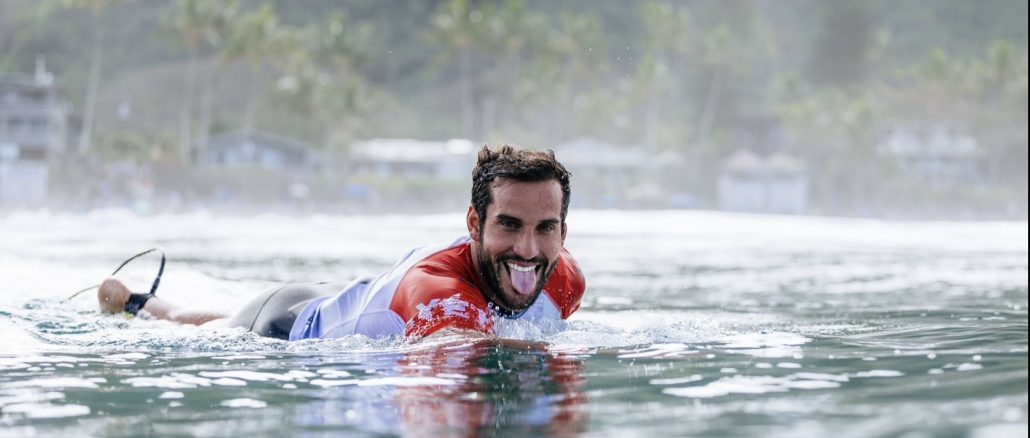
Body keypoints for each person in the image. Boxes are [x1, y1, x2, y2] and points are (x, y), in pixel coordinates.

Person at [98, 145, 586, 341]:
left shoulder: (563, 279)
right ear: (475, 224)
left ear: (562, 234)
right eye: (509, 225)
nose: (528, 249)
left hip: (359, 296)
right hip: (290, 320)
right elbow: (469, 354)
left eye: (545, 228)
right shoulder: (439, 293)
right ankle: (139, 303)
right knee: (206, 327)